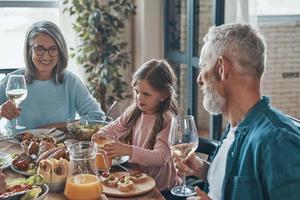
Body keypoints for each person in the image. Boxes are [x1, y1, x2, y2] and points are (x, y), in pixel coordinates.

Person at [174, 23, 300, 200]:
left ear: (222, 68)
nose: (199, 79)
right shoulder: (235, 129)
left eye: (203, 67)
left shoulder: (277, 141)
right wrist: (200, 167)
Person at [94, 59, 181, 191]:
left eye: (146, 94)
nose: (139, 98)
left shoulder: (167, 119)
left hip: (163, 189)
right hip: (139, 181)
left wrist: (129, 150)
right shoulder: (135, 110)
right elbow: (115, 126)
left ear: (164, 94)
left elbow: (161, 157)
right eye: (137, 91)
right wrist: (102, 133)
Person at [0, 20, 104, 130]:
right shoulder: (12, 82)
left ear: (60, 52)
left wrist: (54, 127)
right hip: (15, 146)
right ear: (29, 50)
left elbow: (97, 118)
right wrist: (1, 112)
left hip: (59, 146)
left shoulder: (70, 82)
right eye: (39, 49)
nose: (46, 56)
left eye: (53, 49)